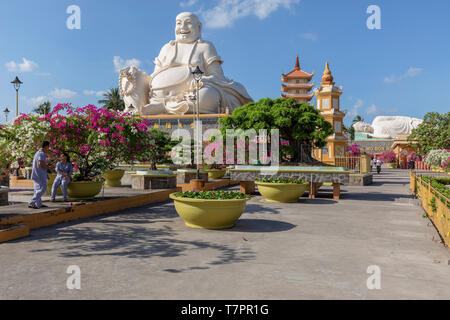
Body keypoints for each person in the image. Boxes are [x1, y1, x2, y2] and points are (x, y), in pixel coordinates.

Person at [29, 141, 51, 209]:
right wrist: (48, 167)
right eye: (48, 147)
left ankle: (38, 204)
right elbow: (40, 163)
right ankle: (31, 202)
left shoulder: (37, 153)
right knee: (43, 189)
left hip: (36, 174)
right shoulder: (42, 153)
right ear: (46, 146)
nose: (48, 148)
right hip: (40, 174)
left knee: (37, 189)